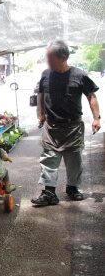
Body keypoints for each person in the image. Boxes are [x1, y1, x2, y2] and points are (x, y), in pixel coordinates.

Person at [32, 40, 101, 206]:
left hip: (73, 127)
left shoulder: (80, 75)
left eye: (50, 58)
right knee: (49, 159)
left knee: (74, 160)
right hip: (52, 126)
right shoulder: (45, 74)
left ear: (63, 57)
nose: (47, 61)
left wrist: (97, 118)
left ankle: (72, 188)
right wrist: (40, 113)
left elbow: (91, 96)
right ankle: (49, 193)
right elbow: (41, 93)